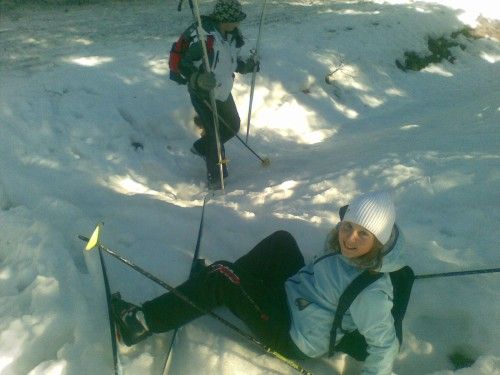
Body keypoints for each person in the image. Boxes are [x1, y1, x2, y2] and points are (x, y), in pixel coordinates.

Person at [112, 191, 407, 374]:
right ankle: (214, 289)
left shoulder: (371, 294)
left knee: (224, 276)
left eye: (363, 234)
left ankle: (140, 323)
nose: (350, 237)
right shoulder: (352, 252)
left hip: (292, 332)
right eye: (348, 226)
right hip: (297, 296)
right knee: (282, 241)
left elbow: (384, 346)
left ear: (379, 240)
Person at [178, 0, 258, 190]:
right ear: (226, 19)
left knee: (232, 125)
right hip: (204, 92)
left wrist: (246, 66)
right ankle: (216, 180)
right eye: (236, 19)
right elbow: (183, 65)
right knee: (214, 134)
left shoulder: (229, 36)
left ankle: (201, 148)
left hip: (222, 91)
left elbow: (229, 63)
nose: (239, 23)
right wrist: (197, 79)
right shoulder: (205, 39)